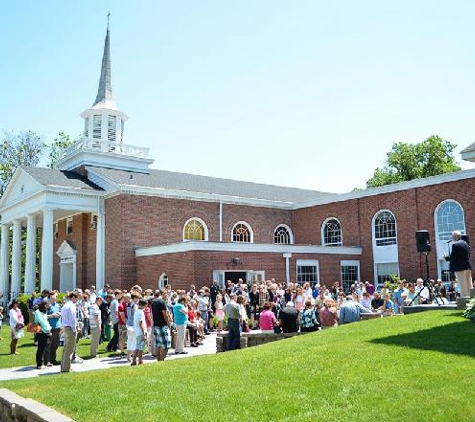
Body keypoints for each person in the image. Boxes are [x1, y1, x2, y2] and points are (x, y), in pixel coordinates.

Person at [445, 230, 472, 298]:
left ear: (454, 236)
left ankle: (464, 301)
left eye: (452, 236)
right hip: (467, 266)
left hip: (460, 268)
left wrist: (446, 258)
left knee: (463, 286)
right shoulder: (466, 243)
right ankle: (472, 300)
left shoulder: (455, 244)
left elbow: (453, 257)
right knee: (469, 285)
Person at [60, 292, 78, 372]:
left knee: (66, 348)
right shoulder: (71, 306)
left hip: (65, 326)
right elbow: (72, 318)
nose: (77, 300)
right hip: (70, 328)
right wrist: (74, 329)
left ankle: (64, 367)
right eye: (77, 298)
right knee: (69, 349)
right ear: (73, 297)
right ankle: (66, 368)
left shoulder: (65, 305)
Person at [152, 289, 171, 361]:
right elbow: (165, 314)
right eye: (166, 293)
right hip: (163, 325)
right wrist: (168, 322)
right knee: (166, 344)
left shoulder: (153, 302)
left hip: (156, 324)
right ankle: (162, 360)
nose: (166, 295)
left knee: (158, 344)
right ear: (163, 293)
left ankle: (158, 360)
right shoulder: (162, 302)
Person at [34, 301, 52, 369]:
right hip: (41, 332)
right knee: (40, 349)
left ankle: (44, 362)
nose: (48, 306)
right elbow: (41, 322)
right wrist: (48, 330)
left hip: (46, 331)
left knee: (44, 347)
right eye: (47, 304)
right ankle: (39, 364)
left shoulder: (44, 311)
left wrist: (49, 328)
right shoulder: (38, 312)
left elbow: (46, 321)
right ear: (44, 305)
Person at [46, 292, 62, 365]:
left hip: (57, 327)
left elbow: (61, 313)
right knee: (48, 344)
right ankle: (47, 361)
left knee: (55, 345)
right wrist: (52, 315)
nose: (57, 296)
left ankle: (53, 360)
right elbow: (43, 316)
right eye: (56, 295)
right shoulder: (46, 305)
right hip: (50, 328)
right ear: (51, 296)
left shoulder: (58, 305)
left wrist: (60, 314)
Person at [132, 299, 147, 365]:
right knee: (140, 348)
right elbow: (141, 323)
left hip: (137, 331)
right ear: (145, 305)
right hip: (140, 332)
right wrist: (144, 332)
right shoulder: (141, 312)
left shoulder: (137, 311)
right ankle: (140, 361)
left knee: (137, 347)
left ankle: (134, 360)